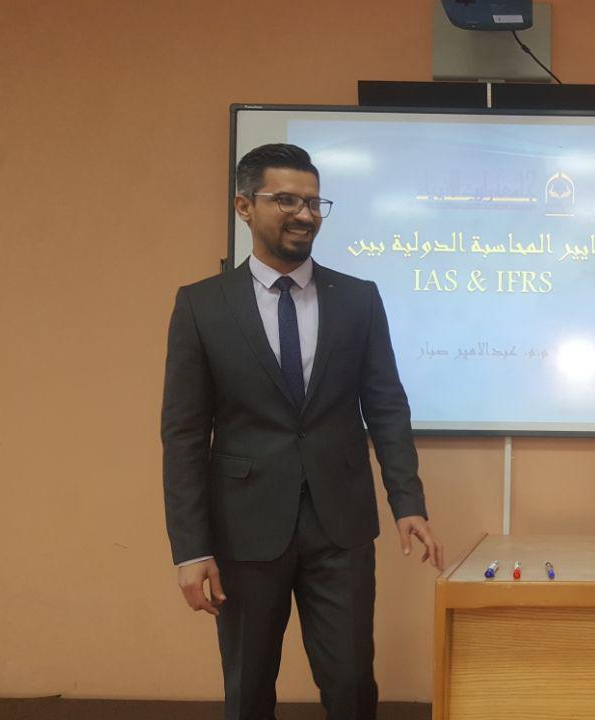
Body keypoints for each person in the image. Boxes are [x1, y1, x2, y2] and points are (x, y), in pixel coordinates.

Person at [161, 143, 444, 720]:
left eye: (314, 202)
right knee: (248, 687)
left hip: (339, 526)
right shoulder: (201, 306)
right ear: (244, 206)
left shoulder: (358, 299)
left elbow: (386, 408)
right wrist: (191, 549)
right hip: (244, 528)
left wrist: (408, 502)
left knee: (351, 684)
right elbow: (184, 435)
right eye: (286, 200)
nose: (305, 214)